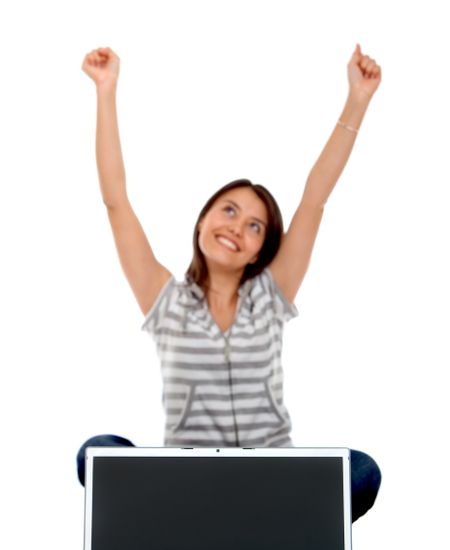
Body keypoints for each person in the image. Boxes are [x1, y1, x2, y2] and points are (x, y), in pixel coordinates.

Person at [78, 44, 382, 522]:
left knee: (362, 471)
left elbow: (314, 198)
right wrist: (106, 92)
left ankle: (267, 528)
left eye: (255, 226)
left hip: (269, 479)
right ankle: (192, 528)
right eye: (230, 211)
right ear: (202, 223)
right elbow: (116, 201)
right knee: (97, 452)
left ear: (261, 250)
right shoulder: (167, 301)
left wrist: (357, 100)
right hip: (190, 482)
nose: (238, 228)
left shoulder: (271, 297)